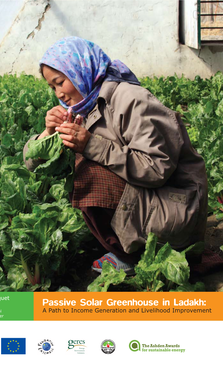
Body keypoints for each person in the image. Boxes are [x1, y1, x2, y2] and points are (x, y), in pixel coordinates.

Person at [23, 36, 208, 275]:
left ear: (80, 70)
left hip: (178, 209)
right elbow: (32, 164)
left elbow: (156, 169)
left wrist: (90, 144)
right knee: (80, 163)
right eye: (53, 87)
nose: (60, 93)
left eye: (60, 82)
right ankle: (126, 245)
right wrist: (47, 132)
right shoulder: (85, 105)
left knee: (85, 168)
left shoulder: (131, 99)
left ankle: (130, 254)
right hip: (152, 202)